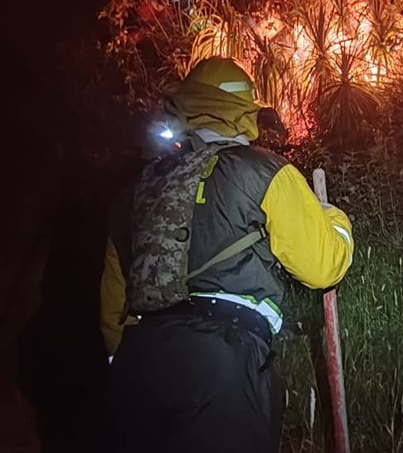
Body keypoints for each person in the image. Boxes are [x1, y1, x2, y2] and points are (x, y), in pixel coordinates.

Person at [100, 56, 355, 453]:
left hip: (138, 363)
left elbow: (112, 309)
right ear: (245, 112)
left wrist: (127, 364)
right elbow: (322, 267)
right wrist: (335, 220)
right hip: (225, 362)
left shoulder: (136, 191)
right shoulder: (264, 171)